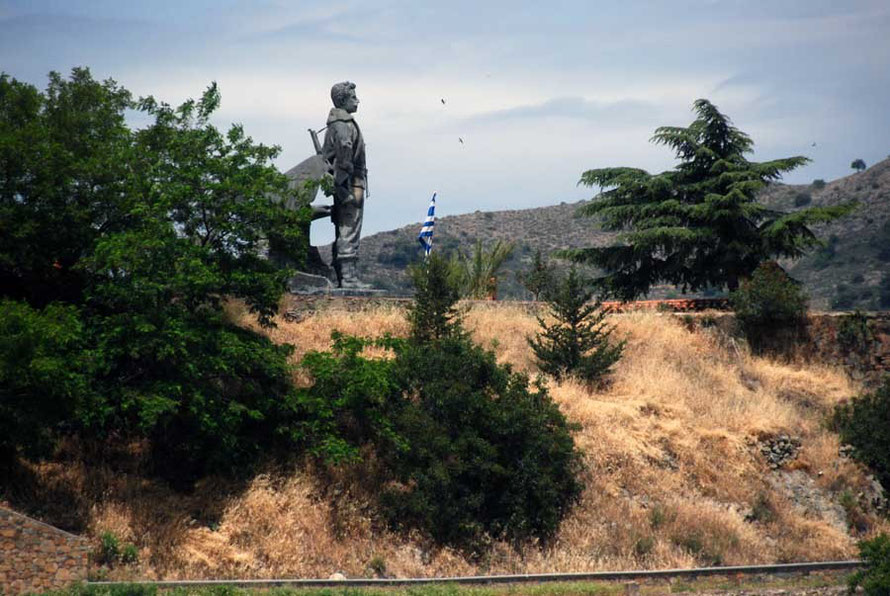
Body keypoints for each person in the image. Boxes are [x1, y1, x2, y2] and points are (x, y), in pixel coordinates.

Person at [322, 81, 368, 288]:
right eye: (353, 97)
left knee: (345, 228)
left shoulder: (340, 123)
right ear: (342, 101)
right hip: (350, 184)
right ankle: (348, 279)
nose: (357, 100)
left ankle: (342, 277)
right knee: (349, 228)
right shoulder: (343, 125)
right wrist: (343, 190)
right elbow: (344, 154)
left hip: (348, 183)